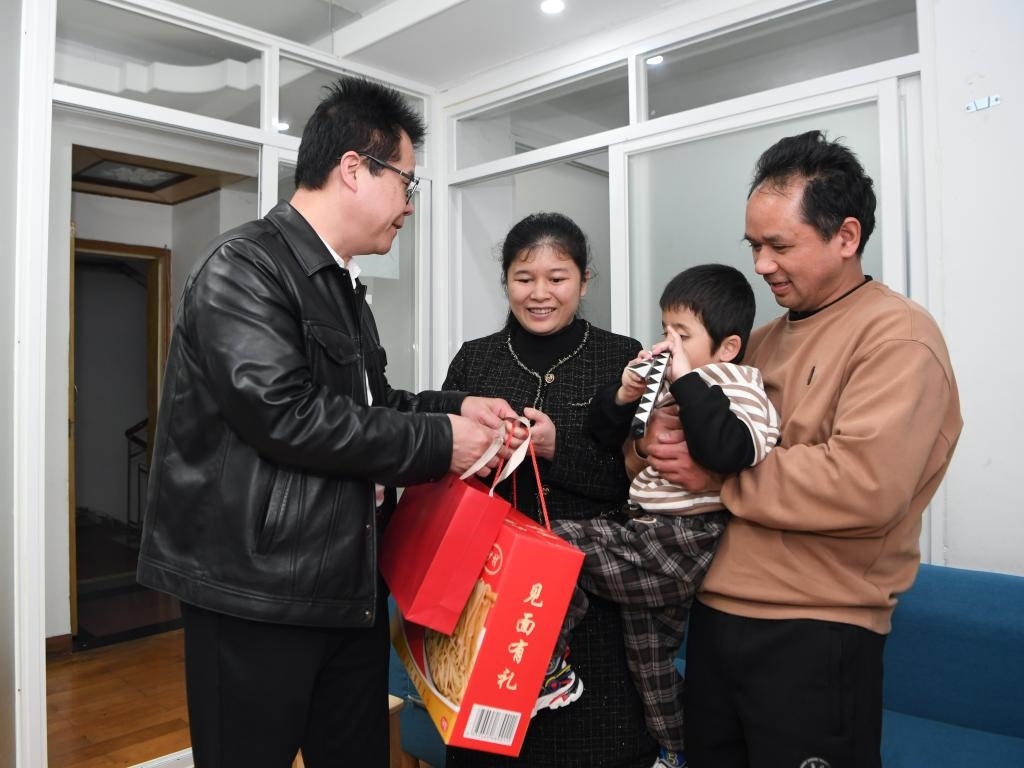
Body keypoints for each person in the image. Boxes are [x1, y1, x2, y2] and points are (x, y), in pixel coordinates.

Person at [136, 76, 515, 768]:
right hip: (256, 592)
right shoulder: (243, 267)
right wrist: (440, 443)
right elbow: (286, 415)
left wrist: (455, 409)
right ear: (353, 169)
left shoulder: (342, 285)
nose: (409, 205)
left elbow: (370, 404)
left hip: (346, 582)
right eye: (407, 182)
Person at [640, 130, 962, 767]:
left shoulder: (898, 337)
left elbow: (864, 485)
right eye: (754, 246)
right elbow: (685, 441)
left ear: (846, 237)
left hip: (816, 629)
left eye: (779, 245)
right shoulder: (755, 341)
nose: (761, 265)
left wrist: (718, 477)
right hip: (714, 612)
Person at [443, 212, 658, 768]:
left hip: (589, 598)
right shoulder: (474, 359)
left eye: (557, 278)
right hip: (488, 587)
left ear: (584, 282)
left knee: (592, 747)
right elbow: (445, 476)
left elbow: (642, 481)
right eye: (524, 278)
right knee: (490, 742)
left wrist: (556, 448)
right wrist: (486, 452)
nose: (540, 293)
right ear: (506, 283)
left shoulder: (620, 357)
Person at [544, 264, 780, 768]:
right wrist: (626, 394)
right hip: (647, 531)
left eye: (682, 335)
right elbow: (604, 433)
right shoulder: (674, 383)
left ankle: (548, 665)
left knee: (557, 544)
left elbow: (730, 451)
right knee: (649, 665)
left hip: (684, 542)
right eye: (665, 329)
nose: (668, 344)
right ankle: (678, 750)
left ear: (728, 347)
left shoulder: (737, 385)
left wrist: (687, 382)